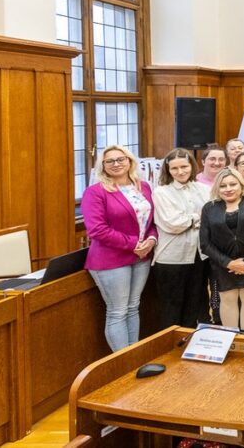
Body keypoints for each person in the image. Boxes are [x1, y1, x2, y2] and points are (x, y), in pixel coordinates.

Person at [82, 145, 158, 351]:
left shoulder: (143, 187)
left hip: (141, 257)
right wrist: (133, 244)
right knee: (117, 311)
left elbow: (151, 222)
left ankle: (133, 357)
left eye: (120, 159)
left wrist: (151, 240)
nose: (116, 164)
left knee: (133, 308)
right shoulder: (95, 192)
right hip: (110, 260)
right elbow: (97, 230)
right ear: (103, 166)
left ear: (130, 161)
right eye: (110, 161)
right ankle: (123, 363)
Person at [200, 169, 244, 333]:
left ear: (241, 184)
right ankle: (231, 338)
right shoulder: (209, 208)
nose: (228, 189)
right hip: (223, 263)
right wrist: (229, 263)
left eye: (233, 184)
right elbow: (205, 243)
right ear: (217, 188)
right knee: (228, 298)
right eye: (223, 186)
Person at [152, 148, 210, 329]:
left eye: (184, 166)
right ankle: (171, 344)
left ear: (192, 166)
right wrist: (198, 217)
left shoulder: (203, 189)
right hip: (172, 258)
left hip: (199, 255)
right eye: (174, 168)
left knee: (196, 303)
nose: (180, 172)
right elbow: (172, 224)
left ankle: (190, 340)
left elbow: (212, 216)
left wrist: (191, 219)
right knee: (172, 307)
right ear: (168, 170)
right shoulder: (161, 192)